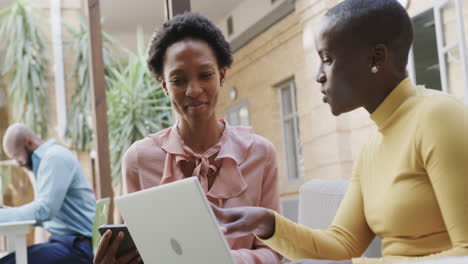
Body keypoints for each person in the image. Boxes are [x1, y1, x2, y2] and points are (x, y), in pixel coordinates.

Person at [212, 0, 468, 263]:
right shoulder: (372, 146)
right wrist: (268, 224)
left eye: (328, 59)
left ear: (376, 58)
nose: (319, 76)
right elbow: (343, 243)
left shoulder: (439, 117)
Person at [94, 12, 281, 264]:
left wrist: (223, 259)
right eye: (178, 80)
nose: (193, 90)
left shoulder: (261, 154)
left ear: (222, 75)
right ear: (164, 86)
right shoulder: (138, 160)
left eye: (205, 75)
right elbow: (140, 252)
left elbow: (275, 252)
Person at [0, 123, 97, 264]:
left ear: (29, 142)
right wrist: (10, 213)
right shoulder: (48, 161)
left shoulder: (54, 157)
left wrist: (4, 216)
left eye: (16, 156)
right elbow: (44, 212)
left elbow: (44, 210)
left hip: (78, 246)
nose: (17, 163)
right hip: (67, 242)